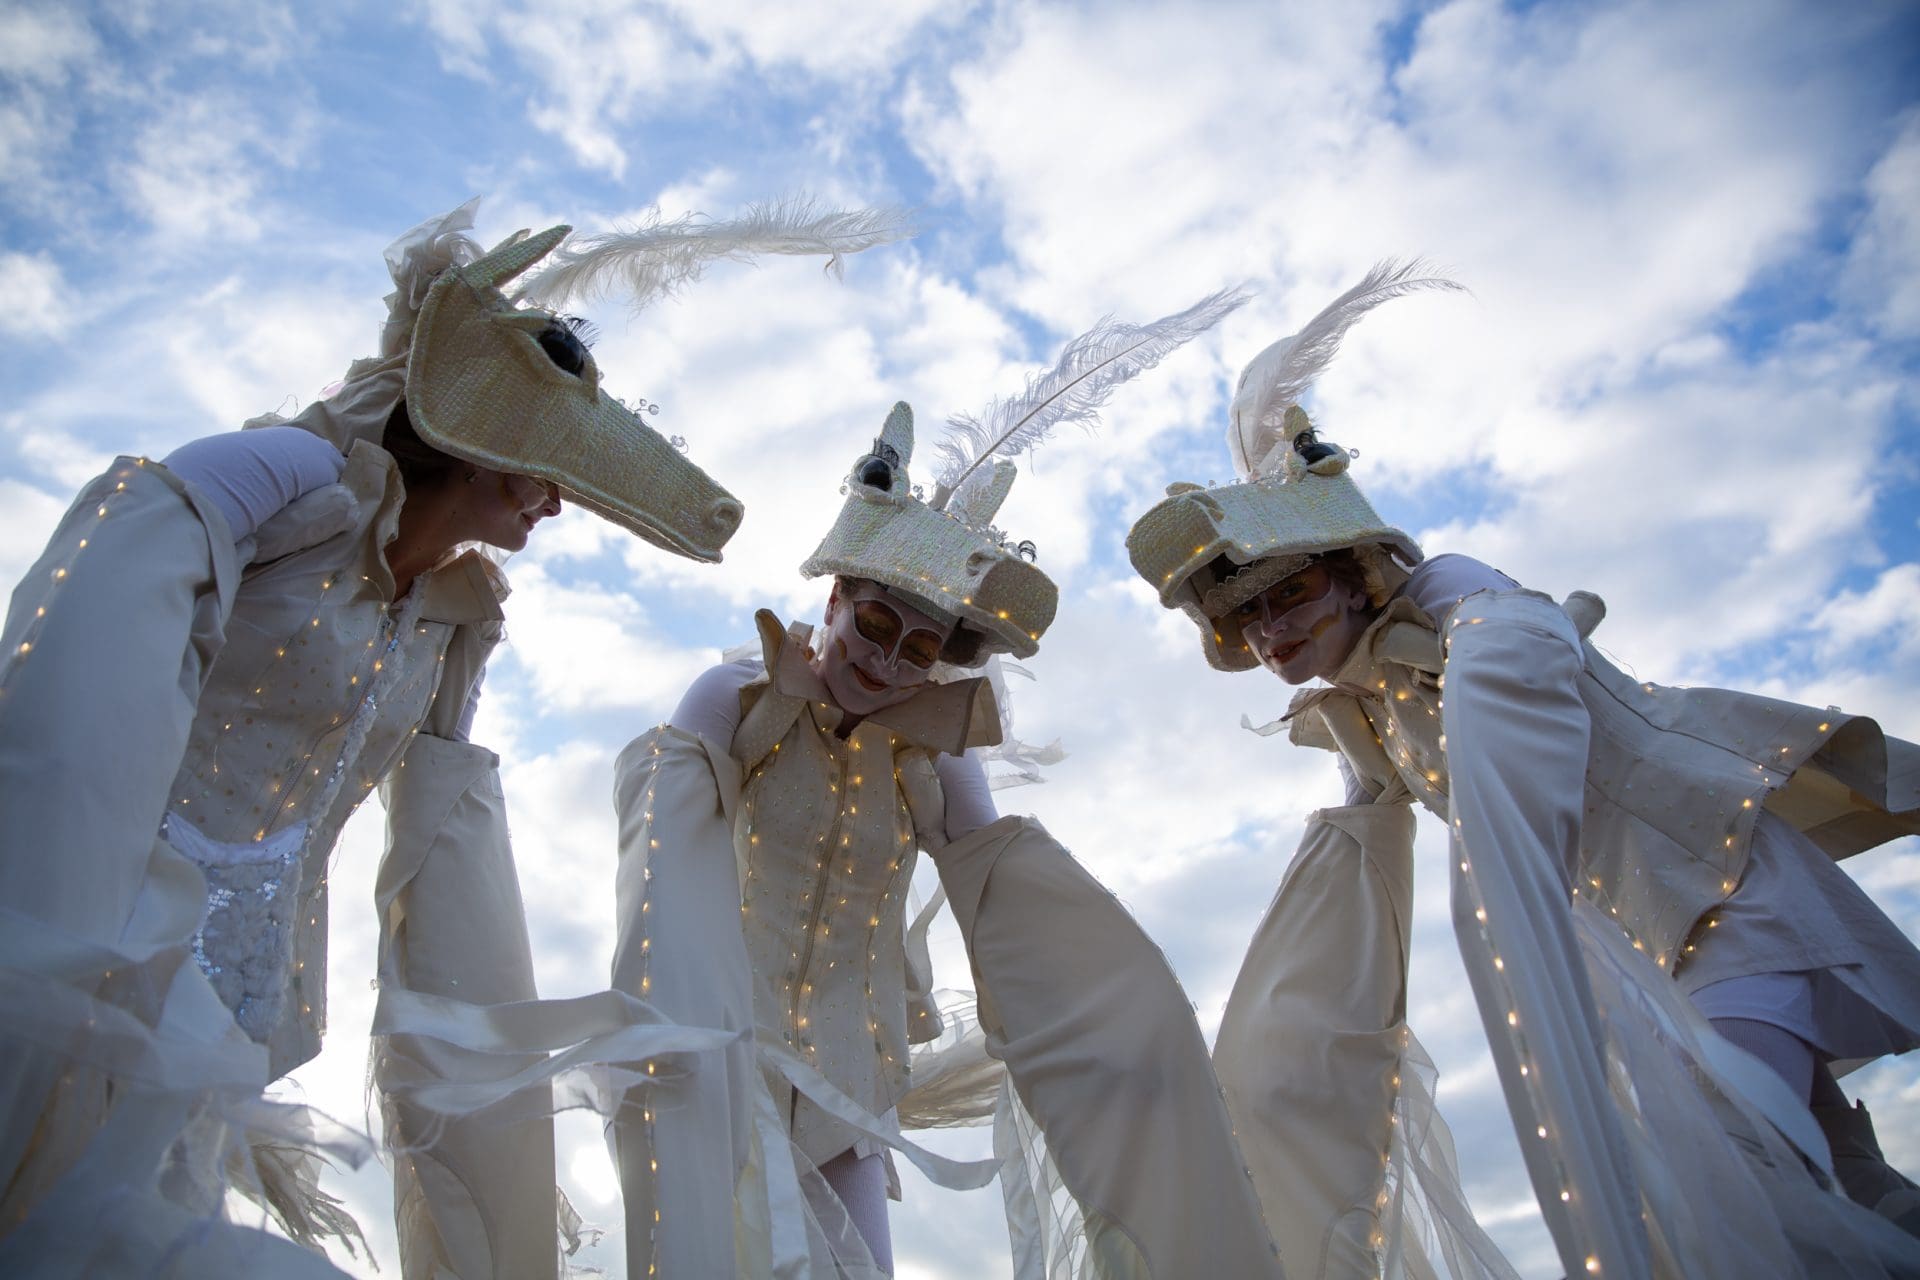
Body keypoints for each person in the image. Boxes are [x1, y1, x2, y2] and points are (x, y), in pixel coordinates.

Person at [0, 197, 906, 1278]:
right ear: (479, 439)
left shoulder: (453, 619)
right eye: (548, 469)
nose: (558, 506)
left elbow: (443, 845)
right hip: (100, 917)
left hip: (243, 987)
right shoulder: (289, 476)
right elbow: (101, 610)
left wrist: (475, 1089)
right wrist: (61, 908)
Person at [1125, 262, 1920, 1280]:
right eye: (1246, 615)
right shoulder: (1359, 713)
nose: (1271, 629)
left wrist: (1494, 684)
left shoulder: (1455, 598)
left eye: (1292, 592)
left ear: (1355, 571)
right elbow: (1346, 874)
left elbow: (1509, 631)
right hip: (1636, 961)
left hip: (1723, 896)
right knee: (1838, 1180)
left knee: (1739, 1171)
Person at [608, 289, 1290, 1278]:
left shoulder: (935, 757)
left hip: (847, 1094)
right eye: (876, 625)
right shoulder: (735, 699)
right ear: (835, 598)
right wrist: (667, 1047)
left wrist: (1119, 1015)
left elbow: (1007, 893)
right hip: (718, 1063)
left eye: (920, 647)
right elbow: (657, 873)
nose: (888, 663)